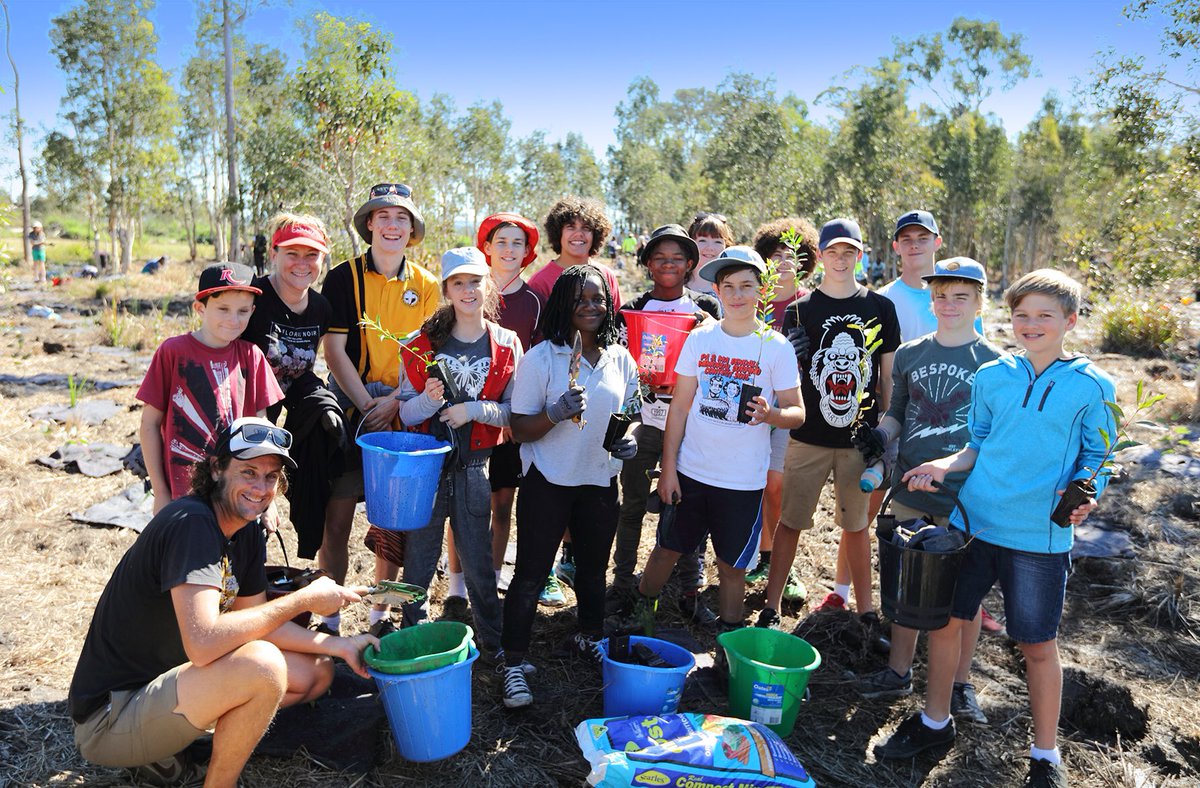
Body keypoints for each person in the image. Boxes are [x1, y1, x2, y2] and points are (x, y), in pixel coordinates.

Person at [875, 269, 1115, 788]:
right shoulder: (994, 376)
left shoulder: (1092, 385)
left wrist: (1086, 493)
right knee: (946, 623)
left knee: (1036, 644)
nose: (1031, 325)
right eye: (1022, 315)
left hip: (1037, 538)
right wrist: (942, 466)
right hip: (973, 524)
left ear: (1070, 321)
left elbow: (1099, 458)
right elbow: (976, 444)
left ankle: (1046, 756)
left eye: (1044, 316)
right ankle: (935, 723)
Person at [68, 418, 376, 787]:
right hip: (109, 718)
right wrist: (303, 600)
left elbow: (256, 619)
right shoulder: (192, 524)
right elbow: (203, 644)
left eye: (271, 476)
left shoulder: (244, 530)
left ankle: (171, 749)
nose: (261, 488)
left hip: (165, 689)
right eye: (248, 472)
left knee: (317, 673)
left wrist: (342, 646)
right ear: (215, 469)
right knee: (262, 666)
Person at [620, 246, 804, 634]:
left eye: (747, 286)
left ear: (761, 290)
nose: (738, 295)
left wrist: (771, 415)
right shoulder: (701, 339)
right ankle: (639, 618)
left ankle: (728, 640)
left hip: (742, 482)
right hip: (692, 472)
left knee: (732, 567)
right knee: (666, 549)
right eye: (729, 287)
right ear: (717, 292)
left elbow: (797, 411)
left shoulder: (775, 347)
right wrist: (668, 470)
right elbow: (681, 408)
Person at [850, 258, 1001, 726]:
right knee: (907, 582)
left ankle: (959, 684)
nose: (949, 304)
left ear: (979, 302)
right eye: (941, 295)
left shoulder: (997, 363)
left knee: (963, 599)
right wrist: (880, 435)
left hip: (965, 499)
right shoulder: (912, 352)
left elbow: (993, 437)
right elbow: (897, 413)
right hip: (911, 487)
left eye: (961, 296)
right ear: (930, 299)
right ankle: (899, 672)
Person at [499, 265, 639, 708]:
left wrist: (629, 437)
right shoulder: (542, 358)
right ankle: (513, 662)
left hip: (599, 479)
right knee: (530, 576)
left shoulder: (621, 356)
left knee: (593, 572)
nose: (590, 306)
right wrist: (555, 413)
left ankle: (588, 636)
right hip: (550, 480)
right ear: (563, 305)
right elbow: (518, 428)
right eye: (580, 299)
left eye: (598, 299)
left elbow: (631, 408)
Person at [759, 218, 900, 636]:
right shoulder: (802, 309)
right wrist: (792, 350)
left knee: (857, 526)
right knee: (791, 522)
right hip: (807, 436)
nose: (841, 260)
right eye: (832, 252)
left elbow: (886, 377)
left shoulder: (880, 308)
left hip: (860, 439)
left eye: (849, 252)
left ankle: (867, 610)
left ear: (860, 255)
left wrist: (887, 434)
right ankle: (770, 604)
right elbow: (784, 374)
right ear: (819, 256)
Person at [319, 183, 440, 636]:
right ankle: (329, 618)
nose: (392, 225)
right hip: (353, 403)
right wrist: (366, 403)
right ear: (369, 224)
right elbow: (333, 350)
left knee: (395, 522)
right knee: (339, 513)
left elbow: (428, 355)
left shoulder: (428, 286)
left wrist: (394, 403)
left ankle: (379, 617)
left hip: (404, 406)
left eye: (401, 218)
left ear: (411, 229)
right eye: (383, 216)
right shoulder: (342, 277)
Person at [395, 248, 523, 655]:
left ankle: (493, 644)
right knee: (418, 560)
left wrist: (474, 410)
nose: (468, 290)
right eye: (458, 283)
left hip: (475, 467)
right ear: (446, 289)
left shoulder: (505, 343)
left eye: (475, 281)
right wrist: (430, 401)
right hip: (427, 469)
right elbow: (404, 410)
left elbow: (513, 415)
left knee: (479, 563)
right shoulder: (421, 344)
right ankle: (415, 641)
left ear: (488, 285)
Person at [609, 224, 722, 626]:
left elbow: (719, 362)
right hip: (644, 422)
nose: (669, 264)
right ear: (648, 264)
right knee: (632, 504)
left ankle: (689, 589)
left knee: (690, 506)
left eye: (677, 258)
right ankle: (623, 584)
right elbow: (619, 365)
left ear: (690, 263)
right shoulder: (633, 311)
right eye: (660, 258)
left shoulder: (705, 311)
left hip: (692, 425)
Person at [526, 196, 624, 589]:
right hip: (551, 398)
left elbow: (613, 332)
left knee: (585, 480)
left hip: (597, 396)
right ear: (558, 234)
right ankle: (545, 569)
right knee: (549, 488)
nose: (578, 234)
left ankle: (572, 558)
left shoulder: (607, 276)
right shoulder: (543, 280)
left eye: (586, 228)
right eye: (571, 227)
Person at [137, 262, 283, 515]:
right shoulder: (173, 352)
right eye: (223, 309)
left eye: (243, 311)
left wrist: (267, 503)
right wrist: (161, 492)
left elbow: (261, 431)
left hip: (239, 494)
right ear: (200, 308)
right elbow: (149, 424)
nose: (233, 319)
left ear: (253, 311)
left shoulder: (252, 356)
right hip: (184, 493)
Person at [242, 214, 345, 566]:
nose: (302, 264)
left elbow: (300, 370)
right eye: (292, 253)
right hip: (244, 417)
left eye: (311, 255)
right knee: (244, 516)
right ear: (275, 253)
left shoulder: (320, 308)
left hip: (282, 409)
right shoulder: (254, 299)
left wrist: (323, 404)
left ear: (323, 259)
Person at [744, 218, 819, 600]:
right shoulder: (753, 298)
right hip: (747, 401)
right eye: (777, 255)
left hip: (790, 405)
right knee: (751, 484)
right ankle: (754, 555)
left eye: (794, 256)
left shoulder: (809, 304)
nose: (785, 262)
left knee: (776, 484)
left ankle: (775, 560)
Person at [474, 213, 544, 600]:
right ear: (486, 246)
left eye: (517, 243)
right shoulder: (467, 289)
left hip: (511, 418)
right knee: (465, 504)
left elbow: (538, 359)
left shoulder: (534, 301)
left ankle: (495, 573)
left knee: (502, 503)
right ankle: (457, 582)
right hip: (467, 413)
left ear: (527, 251)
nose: (508, 249)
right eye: (501, 241)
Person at [686, 211, 736, 298]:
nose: (710, 248)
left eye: (718, 242)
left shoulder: (734, 285)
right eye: (702, 240)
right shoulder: (676, 284)